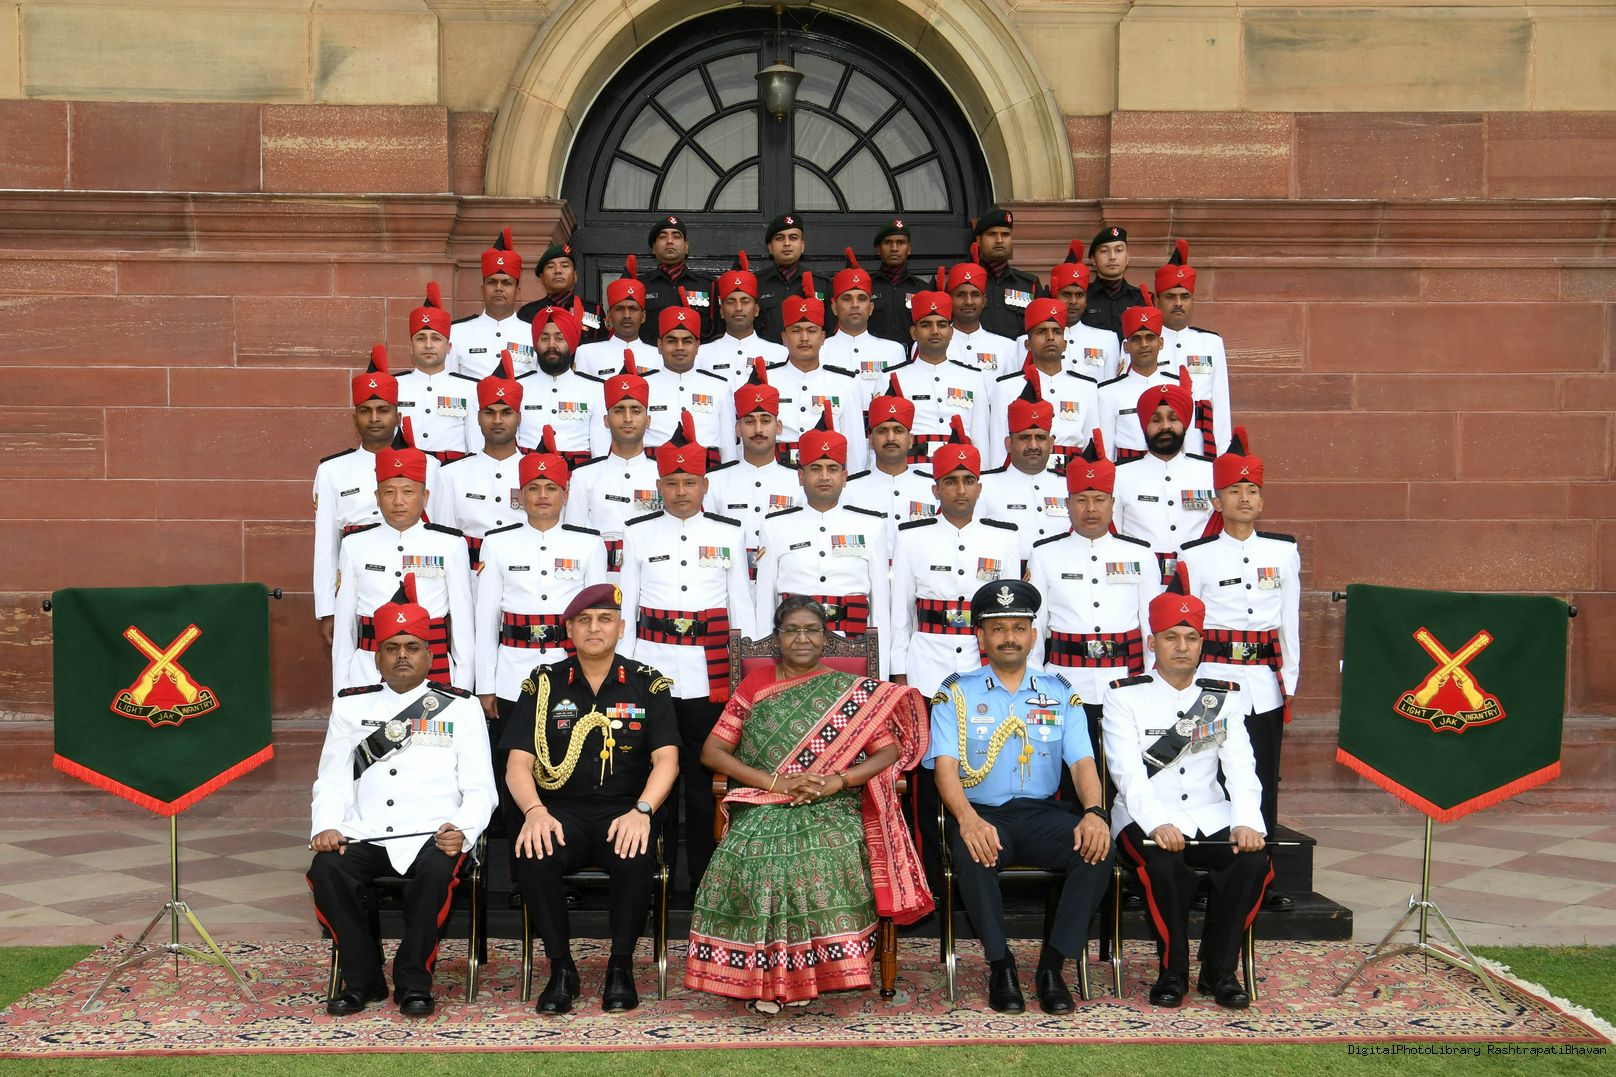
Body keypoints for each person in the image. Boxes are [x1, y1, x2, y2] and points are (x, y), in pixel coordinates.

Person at [685, 596, 933, 1013]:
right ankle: (765, 980)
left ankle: (811, 974)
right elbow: (713, 752)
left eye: (812, 630)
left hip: (832, 803)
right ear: (778, 638)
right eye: (792, 630)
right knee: (758, 858)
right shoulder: (755, 684)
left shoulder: (851, 693)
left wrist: (838, 781)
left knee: (819, 857)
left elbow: (888, 752)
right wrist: (776, 783)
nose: (802, 638)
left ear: (825, 637)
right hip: (764, 799)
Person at [308, 574, 496, 1017]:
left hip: (432, 834)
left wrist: (462, 831)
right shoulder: (350, 705)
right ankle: (363, 979)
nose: (402, 656)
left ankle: (414, 981)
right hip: (366, 833)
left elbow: (479, 788)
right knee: (326, 871)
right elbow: (332, 777)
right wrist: (327, 825)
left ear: (430, 655)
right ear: (378, 658)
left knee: (435, 875)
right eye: (392, 648)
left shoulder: (461, 708)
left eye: (412, 647)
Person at [924, 579, 1113, 1013]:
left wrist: (1094, 813)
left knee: (1098, 850)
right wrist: (967, 820)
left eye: (1018, 627)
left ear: (1032, 635)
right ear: (980, 637)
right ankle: (1001, 966)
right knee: (973, 854)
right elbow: (946, 768)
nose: (1009, 637)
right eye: (997, 628)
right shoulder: (955, 693)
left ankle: (1053, 966)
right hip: (983, 813)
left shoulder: (1059, 692)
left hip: (1043, 814)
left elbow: (1082, 762)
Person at [501, 584, 680, 1014]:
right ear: (569, 630)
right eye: (583, 620)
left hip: (625, 809)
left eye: (604, 620)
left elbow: (667, 761)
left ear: (621, 628)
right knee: (535, 853)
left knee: (635, 854)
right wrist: (534, 812)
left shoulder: (647, 683)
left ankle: (620, 966)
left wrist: (642, 811)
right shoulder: (543, 684)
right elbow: (517, 764)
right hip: (560, 811)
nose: (594, 628)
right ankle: (561, 968)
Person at [1104, 572, 1271, 1009]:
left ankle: (1220, 971)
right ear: (1152, 642)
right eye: (1171, 637)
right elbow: (1126, 772)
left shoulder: (1224, 698)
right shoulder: (1124, 696)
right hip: (1143, 815)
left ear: (1202, 644)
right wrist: (1156, 823)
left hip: (1208, 811)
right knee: (1165, 865)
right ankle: (1173, 971)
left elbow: (1241, 766)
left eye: (1191, 637)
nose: (1182, 646)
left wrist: (1247, 822)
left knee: (1251, 862)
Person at [620, 414, 754, 890]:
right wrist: (624, 672)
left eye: (690, 482)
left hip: (708, 676)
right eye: (673, 482)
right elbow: (627, 610)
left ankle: (703, 878)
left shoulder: (729, 533)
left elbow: (741, 610)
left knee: (702, 781)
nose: (681, 491)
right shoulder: (637, 532)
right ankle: (650, 876)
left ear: (705, 485)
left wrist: (746, 676)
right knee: (648, 776)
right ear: (659, 485)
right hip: (651, 671)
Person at [1178, 429, 1298, 903]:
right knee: (1209, 777)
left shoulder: (1282, 552)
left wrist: (1289, 682)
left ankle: (1259, 881)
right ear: (1217, 500)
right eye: (1234, 490)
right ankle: (1207, 876)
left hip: (1263, 685)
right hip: (1213, 684)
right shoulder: (1195, 556)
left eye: (1252, 490)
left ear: (1261, 500)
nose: (1244, 498)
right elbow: (1186, 626)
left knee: (1262, 780)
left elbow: (1289, 624)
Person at [1027, 432, 1154, 755]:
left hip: (1125, 683)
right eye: (1081, 500)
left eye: (1099, 499)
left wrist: (1151, 682)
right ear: (1067, 504)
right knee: (1067, 771)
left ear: (1112, 503)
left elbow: (1151, 626)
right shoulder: (1044, 555)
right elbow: (1035, 627)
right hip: (1063, 683)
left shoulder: (1140, 555)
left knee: (1123, 769)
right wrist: (1034, 682)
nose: (1091, 508)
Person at [474, 433, 606, 732]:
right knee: (511, 752)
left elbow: (597, 619)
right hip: (513, 673)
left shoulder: (588, 544)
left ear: (565, 495)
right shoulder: (497, 544)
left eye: (551, 488)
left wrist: (596, 676)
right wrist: (485, 684)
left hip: (570, 668)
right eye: (533, 488)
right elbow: (486, 619)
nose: (542, 495)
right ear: (520, 496)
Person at [312, 346, 441, 646]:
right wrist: (327, 609)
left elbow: (439, 532)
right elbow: (326, 545)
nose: (374, 418)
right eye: (365, 411)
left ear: (398, 416)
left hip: (417, 586)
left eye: (383, 410)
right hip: (356, 590)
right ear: (354, 418)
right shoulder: (332, 471)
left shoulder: (429, 466)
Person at [889, 419, 1020, 697]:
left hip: (983, 663)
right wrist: (899, 672)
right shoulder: (911, 538)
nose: (961, 490)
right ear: (935, 490)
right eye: (951, 481)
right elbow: (901, 614)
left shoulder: (1005, 539)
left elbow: (1010, 613)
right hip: (927, 666)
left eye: (968, 481)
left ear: (979, 489)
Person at [332, 445, 473, 694]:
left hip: (433, 667)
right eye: (389, 492)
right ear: (377, 497)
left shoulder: (450, 545)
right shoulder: (355, 545)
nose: (398, 501)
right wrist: (341, 692)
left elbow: (463, 628)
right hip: (368, 667)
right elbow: (345, 628)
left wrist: (462, 690)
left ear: (425, 496)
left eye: (408, 492)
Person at [752, 406, 890, 645]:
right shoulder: (774, 528)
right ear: (801, 476)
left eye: (832, 469)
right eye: (815, 468)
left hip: (852, 645)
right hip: (794, 647)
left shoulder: (872, 527)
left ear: (844, 477)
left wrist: (879, 662)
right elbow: (765, 605)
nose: (824, 477)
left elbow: (880, 610)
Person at [1111, 365, 1217, 585]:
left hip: (1199, 581)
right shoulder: (1119, 475)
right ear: (1144, 426)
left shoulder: (1210, 472)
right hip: (1141, 582)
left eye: (1173, 419)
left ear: (1185, 424)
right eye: (1156, 420)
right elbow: (1115, 536)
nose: (1165, 426)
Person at [702, 361, 802, 582]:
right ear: (738, 428)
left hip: (784, 581)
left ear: (778, 427)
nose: (758, 429)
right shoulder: (715, 481)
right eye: (749, 421)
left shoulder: (798, 481)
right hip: (729, 582)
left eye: (765, 421)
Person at [563, 362, 662, 581]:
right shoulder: (584, 476)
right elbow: (573, 539)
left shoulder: (663, 474)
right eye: (619, 410)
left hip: (651, 578)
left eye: (636, 410)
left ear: (648, 420)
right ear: (606, 420)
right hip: (598, 578)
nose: (627, 418)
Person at [468, 309, 605, 465]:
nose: (551, 345)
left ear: (572, 343)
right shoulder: (517, 387)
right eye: (544, 338)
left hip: (579, 473)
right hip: (526, 472)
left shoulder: (595, 390)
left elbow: (601, 450)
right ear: (535, 343)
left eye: (559, 338)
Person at [763, 276, 866, 470]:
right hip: (776, 477)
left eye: (811, 331)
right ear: (784, 337)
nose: (804, 338)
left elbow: (855, 448)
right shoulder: (766, 381)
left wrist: (853, 481)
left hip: (826, 479)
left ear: (823, 337)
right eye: (796, 331)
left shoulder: (845, 384)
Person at [434, 354, 526, 570]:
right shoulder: (450, 475)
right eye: (489, 413)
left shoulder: (535, 474)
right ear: (477, 417)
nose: (497, 420)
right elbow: (443, 542)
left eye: (506, 413)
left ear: (519, 418)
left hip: (522, 575)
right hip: (469, 575)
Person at [987, 298, 1100, 472]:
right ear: (1028, 344)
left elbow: (1092, 445)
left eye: (1057, 331)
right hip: (1023, 475)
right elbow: (998, 447)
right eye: (1041, 332)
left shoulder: (1086, 387)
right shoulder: (1006, 387)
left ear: (1065, 344)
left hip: (1071, 477)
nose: (1050, 337)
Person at [888, 288, 993, 465]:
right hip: (913, 469)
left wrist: (981, 474)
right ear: (913, 333)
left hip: (961, 469)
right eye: (926, 325)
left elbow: (981, 436)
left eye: (942, 325)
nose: (935, 331)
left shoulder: (973, 378)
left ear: (951, 332)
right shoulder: (893, 377)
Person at [978, 375, 1070, 569]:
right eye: (1024, 437)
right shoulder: (984, 487)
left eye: (1040, 438)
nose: (1033, 445)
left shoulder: (1069, 486)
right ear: (1008, 444)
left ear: (1051, 443)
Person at [842, 380, 939, 550]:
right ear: (871, 441)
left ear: (910, 440)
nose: (891, 438)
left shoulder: (932, 488)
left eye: (898, 430)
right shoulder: (849, 490)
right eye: (882, 431)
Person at [1155, 242, 1231, 457]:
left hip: (1200, 444)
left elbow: (1220, 403)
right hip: (1157, 443)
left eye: (1185, 296)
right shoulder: (1141, 343)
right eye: (1170, 297)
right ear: (1157, 301)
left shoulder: (1211, 343)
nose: (1178, 303)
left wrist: (1223, 455)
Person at [641, 302, 737, 462]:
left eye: (687, 341)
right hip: (654, 468)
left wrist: (728, 471)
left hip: (707, 469)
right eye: (672, 341)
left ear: (697, 346)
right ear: (660, 345)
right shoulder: (642, 386)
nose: (680, 347)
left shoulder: (719, 387)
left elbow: (728, 444)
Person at [1014, 245, 1121, 382]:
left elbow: (1110, 388)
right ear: (1054, 296)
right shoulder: (1026, 341)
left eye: (1079, 295)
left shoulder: (1107, 339)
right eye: (1066, 294)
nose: (1073, 301)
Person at [395, 282, 474, 462]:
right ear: (410, 347)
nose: (428, 345)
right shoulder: (395, 386)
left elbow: (475, 445)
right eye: (421, 338)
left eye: (436, 338)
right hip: (405, 471)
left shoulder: (469, 389)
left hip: (451, 469)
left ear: (448, 347)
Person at [1096, 306, 1182, 464]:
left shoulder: (1178, 386)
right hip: (1127, 470)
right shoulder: (1107, 392)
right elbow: (1106, 452)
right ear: (1126, 346)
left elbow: (1188, 444)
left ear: (1161, 343)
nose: (1144, 344)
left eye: (1150, 338)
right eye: (1136, 339)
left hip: (1172, 469)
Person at [821, 249, 906, 391]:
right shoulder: (820, 350)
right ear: (834, 308)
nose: (855, 305)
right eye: (846, 299)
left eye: (862, 299)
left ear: (871, 308)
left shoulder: (893, 351)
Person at [695, 252, 787, 384]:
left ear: (756, 310)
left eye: (745, 301)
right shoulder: (701, 354)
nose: (738, 308)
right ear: (721, 311)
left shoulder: (779, 353)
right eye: (731, 302)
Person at [450, 228, 528, 379]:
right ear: (482, 290)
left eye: (506, 283)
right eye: (492, 282)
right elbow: (449, 382)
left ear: (517, 292)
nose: (499, 288)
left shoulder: (533, 333)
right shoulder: (457, 333)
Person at [574, 256, 661, 378]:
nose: (626, 315)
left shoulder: (659, 355)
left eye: (633, 309)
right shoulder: (586, 353)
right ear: (609, 316)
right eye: (619, 309)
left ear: (643, 316)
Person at [639, 214, 715, 345]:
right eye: (663, 237)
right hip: (649, 355)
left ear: (686, 247)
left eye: (676, 236)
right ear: (654, 248)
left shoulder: (708, 286)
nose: (669, 241)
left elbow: (719, 331)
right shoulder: (640, 286)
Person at [972, 208, 1047, 341]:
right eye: (992, 234)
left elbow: (1043, 328)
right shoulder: (966, 282)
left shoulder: (1029, 285)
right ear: (978, 240)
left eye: (1005, 234)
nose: (999, 240)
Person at [516, 240, 605, 346]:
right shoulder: (528, 313)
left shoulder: (594, 311)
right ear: (542, 278)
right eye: (550, 267)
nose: (558, 271)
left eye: (565, 266)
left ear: (575, 276)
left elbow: (602, 348)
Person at [944, 256, 1018, 380]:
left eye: (975, 295)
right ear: (949, 300)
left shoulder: (1007, 347)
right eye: (961, 295)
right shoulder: (932, 344)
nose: (968, 302)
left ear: (984, 301)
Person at [867, 216, 931, 346]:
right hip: (874, 356)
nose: (894, 248)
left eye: (901, 242)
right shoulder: (866, 287)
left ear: (909, 249)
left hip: (912, 357)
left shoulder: (923, 289)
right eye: (888, 242)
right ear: (878, 249)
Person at [754, 212, 816, 344]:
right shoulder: (755, 284)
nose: (787, 243)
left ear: (802, 245)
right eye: (779, 238)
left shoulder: (821, 284)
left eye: (793, 238)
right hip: (765, 355)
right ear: (770, 247)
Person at [1081, 226, 1145, 339]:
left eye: (1119, 250)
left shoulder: (1141, 298)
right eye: (1104, 251)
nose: (1112, 257)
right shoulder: (1082, 296)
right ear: (1093, 259)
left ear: (1127, 258)